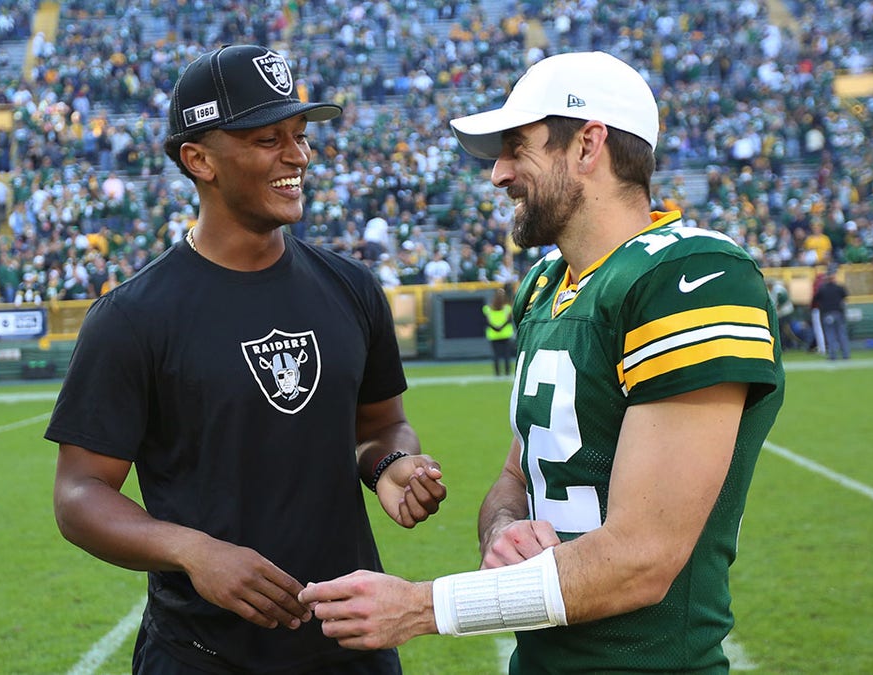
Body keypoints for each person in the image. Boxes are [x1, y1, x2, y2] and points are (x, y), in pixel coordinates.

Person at [300, 50, 785, 673]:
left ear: (588, 145)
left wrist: (425, 607)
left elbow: (643, 558)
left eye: (517, 147)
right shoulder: (546, 285)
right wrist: (503, 532)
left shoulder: (691, 276)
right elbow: (516, 478)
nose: (498, 173)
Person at [46, 44, 447, 675]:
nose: (297, 156)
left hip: (352, 645)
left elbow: (377, 427)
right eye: (267, 139)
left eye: (300, 135)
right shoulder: (132, 317)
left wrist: (390, 465)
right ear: (198, 159)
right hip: (201, 655)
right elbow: (78, 493)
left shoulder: (353, 289)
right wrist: (193, 551)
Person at [812, 267, 850, 360]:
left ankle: (833, 355)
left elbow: (815, 299)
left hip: (827, 314)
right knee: (841, 334)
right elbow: (845, 296)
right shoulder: (839, 288)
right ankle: (845, 354)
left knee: (830, 335)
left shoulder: (822, 289)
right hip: (838, 313)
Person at [482, 286, 514, 376]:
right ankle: (507, 372)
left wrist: (495, 328)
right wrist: (501, 327)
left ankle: (497, 373)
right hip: (505, 334)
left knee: (496, 355)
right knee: (506, 355)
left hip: (493, 334)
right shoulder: (508, 308)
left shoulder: (487, 308)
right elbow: (509, 320)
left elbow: (487, 321)